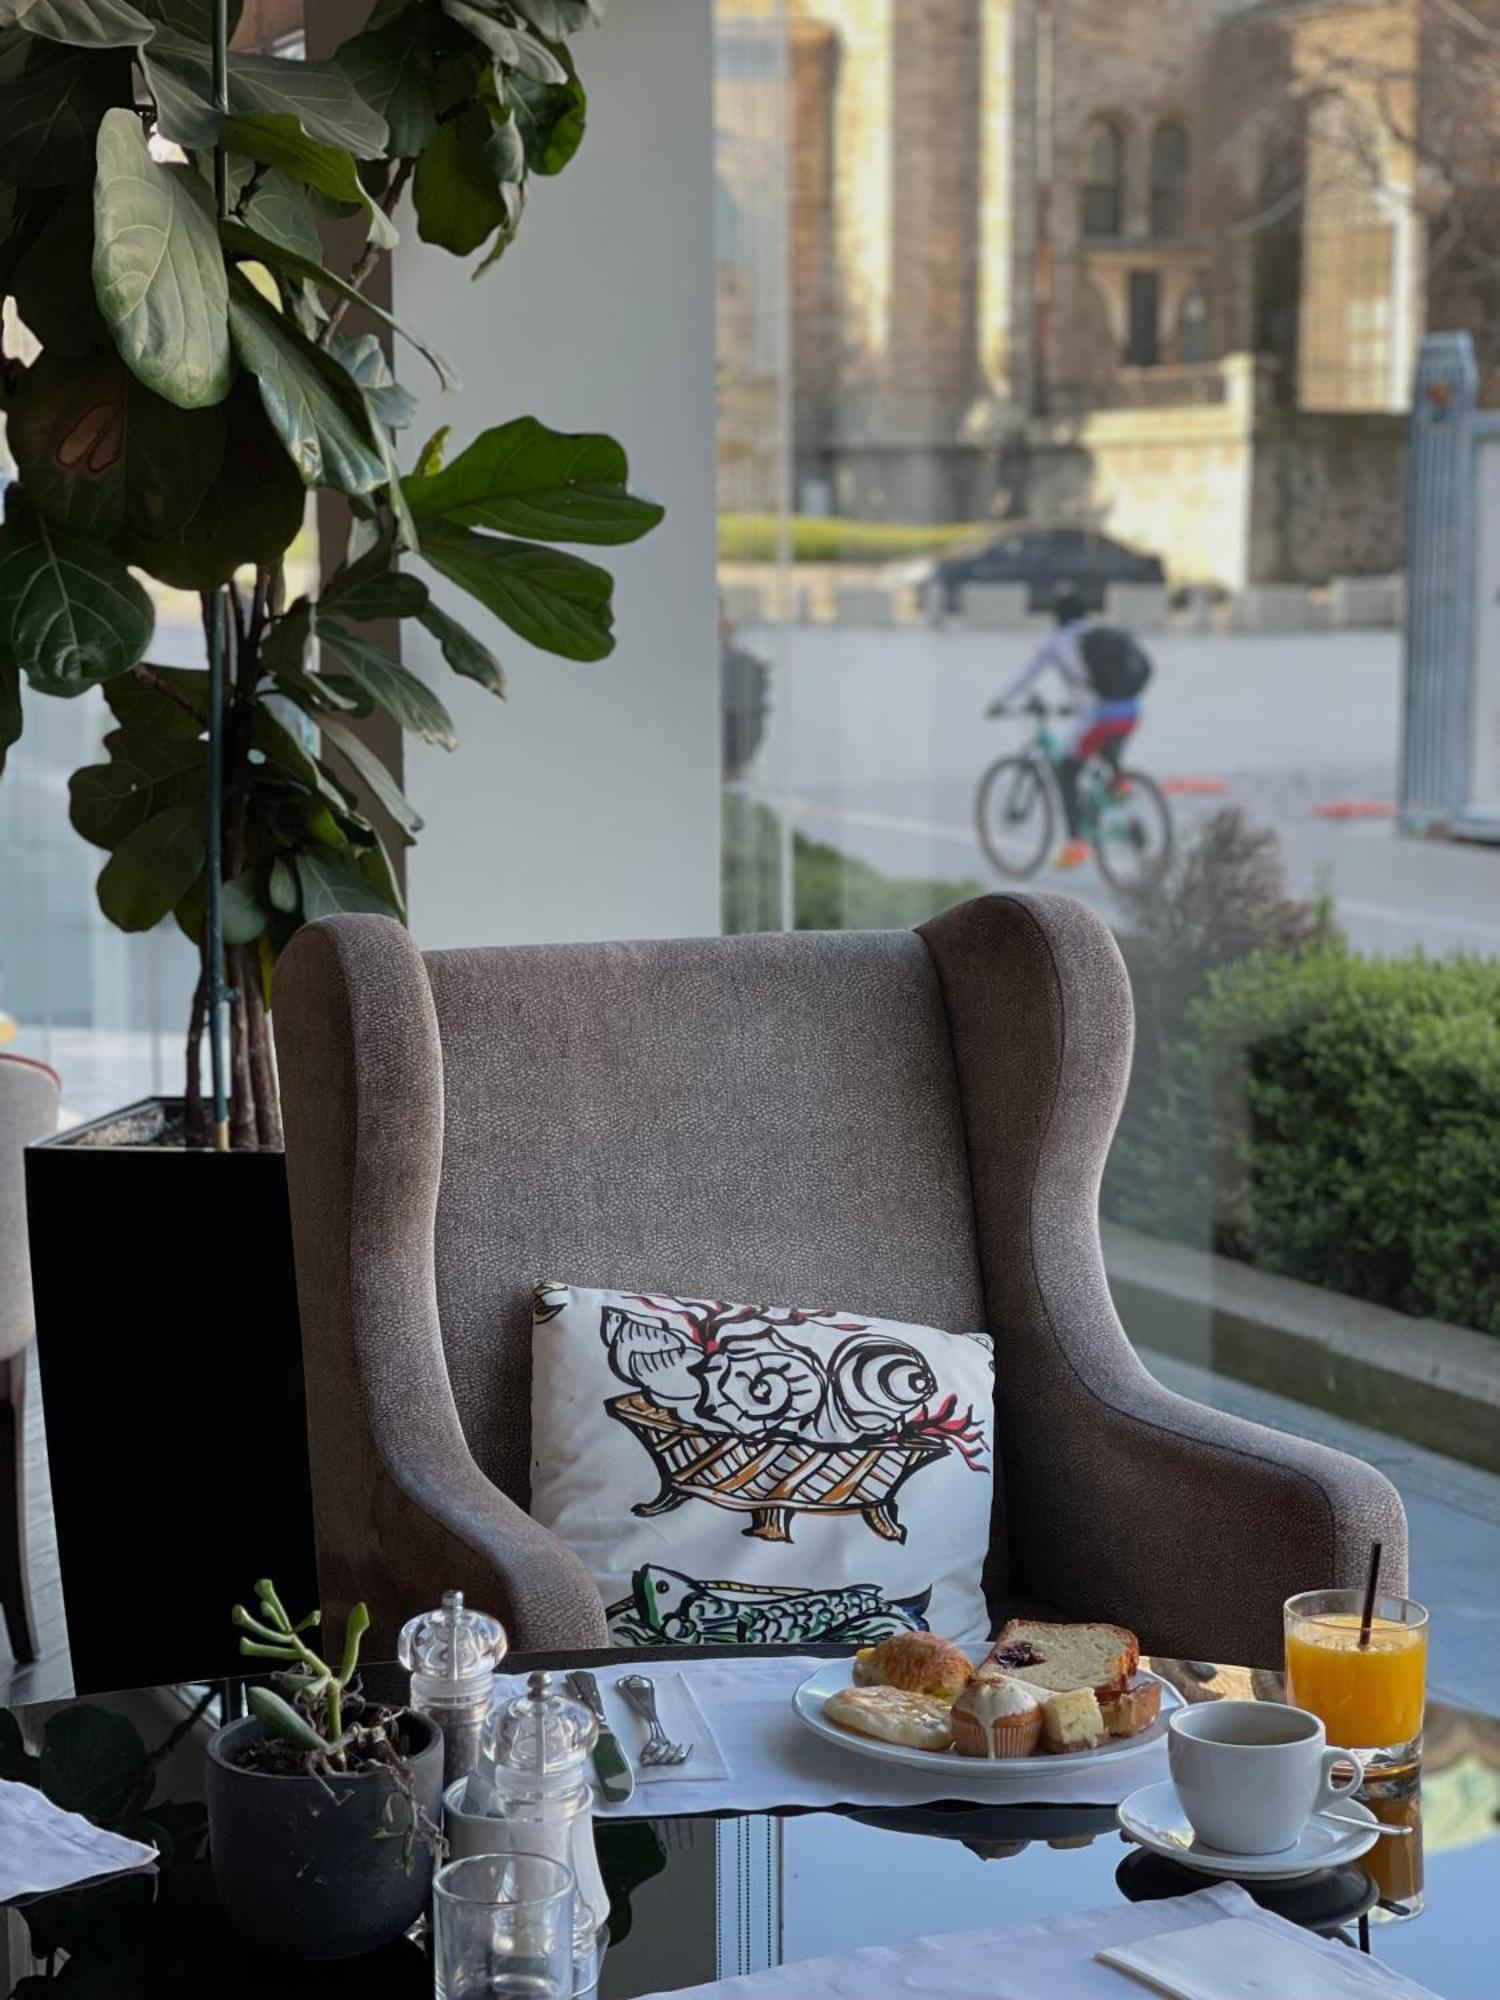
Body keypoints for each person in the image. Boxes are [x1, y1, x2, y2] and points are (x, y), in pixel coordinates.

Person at [984, 586, 1152, 869]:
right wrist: (1071, 707)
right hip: (1131, 711)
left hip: (1100, 718)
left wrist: (999, 703)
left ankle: (1075, 844)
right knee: (1102, 753)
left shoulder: (1057, 642)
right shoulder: (1101, 635)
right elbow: (1094, 685)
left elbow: (1027, 675)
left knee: (1066, 770)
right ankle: (1119, 786)